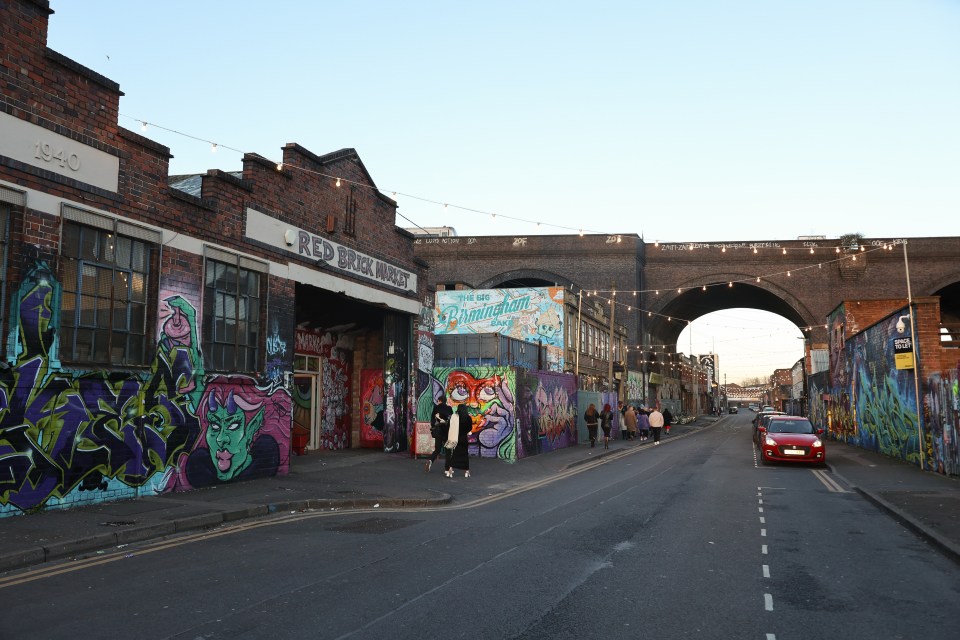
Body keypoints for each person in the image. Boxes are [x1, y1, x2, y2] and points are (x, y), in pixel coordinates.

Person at [445, 403, 473, 478]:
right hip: (464, 439)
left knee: (454, 454)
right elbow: (469, 428)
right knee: (464, 455)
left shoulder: (454, 417)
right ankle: (467, 471)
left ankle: (450, 469)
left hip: (455, 438)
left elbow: (448, 427)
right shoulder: (468, 418)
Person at [426, 395, 453, 473]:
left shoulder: (436, 408)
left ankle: (430, 460)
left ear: (440, 401)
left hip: (438, 431)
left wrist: (433, 426)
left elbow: (432, 420)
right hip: (447, 432)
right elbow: (451, 419)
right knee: (448, 451)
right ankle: (447, 469)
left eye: (438, 401)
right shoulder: (449, 408)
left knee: (437, 449)